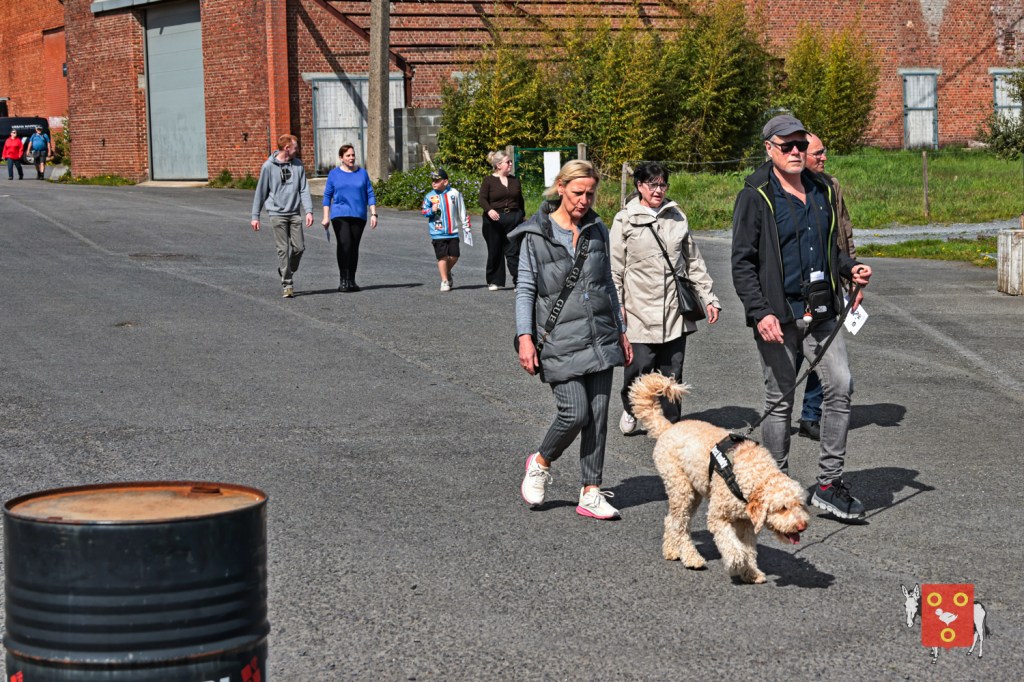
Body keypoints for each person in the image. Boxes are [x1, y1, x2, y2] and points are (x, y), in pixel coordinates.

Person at [731, 114, 873, 521]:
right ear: (769, 149)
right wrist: (760, 312)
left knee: (841, 385)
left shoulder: (822, 189)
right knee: (779, 401)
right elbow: (742, 262)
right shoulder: (755, 195)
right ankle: (776, 485)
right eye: (787, 145)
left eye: (800, 145)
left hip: (823, 311)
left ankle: (828, 484)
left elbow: (830, 249)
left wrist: (849, 268)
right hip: (778, 315)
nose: (796, 152)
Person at [511, 160, 634, 520]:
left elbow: (607, 283)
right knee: (575, 412)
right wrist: (525, 338)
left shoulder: (597, 228)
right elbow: (525, 289)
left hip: (600, 334)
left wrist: (621, 330)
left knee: (598, 415)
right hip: (558, 337)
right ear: (561, 187)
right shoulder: (535, 234)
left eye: (590, 194)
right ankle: (541, 462)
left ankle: (591, 491)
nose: (584, 200)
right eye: (578, 192)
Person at [610, 161, 721, 434]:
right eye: (652, 185)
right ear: (639, 186)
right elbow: (614, 269)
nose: (658, 190)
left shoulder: (677, 217)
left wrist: (709, 297)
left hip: (673, 309)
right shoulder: (624, 219)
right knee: (638, 368)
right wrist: (617, 305)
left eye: (663, 185)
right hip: (637, 309)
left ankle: (671, 427)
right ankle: (632, 407)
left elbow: (693, 261)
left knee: (672, 371)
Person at [796, 133, 861, 441]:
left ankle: (811, 415)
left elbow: (844, 231)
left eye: (824, 152)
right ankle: (779, 415)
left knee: (822, 352)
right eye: (818, 153)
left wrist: (852, 277)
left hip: (828, 281)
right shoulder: (784, 189)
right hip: (796, 287)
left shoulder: (831, 186)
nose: (824, 158)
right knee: (791, 357)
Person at [250, 134, 314, 298]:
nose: (297, 150)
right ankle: (287, 284)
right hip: (277, 214)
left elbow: (304, 189)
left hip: (294, 213)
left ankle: (287, 269)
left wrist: (309, 211)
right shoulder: (268, 167)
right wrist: (255, 216)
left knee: (299, 248)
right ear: (287, 148)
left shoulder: (298, 165)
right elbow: (261, 192)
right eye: (295, 147)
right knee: (283, 250)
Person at [321, 144, 378, 293]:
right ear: (341, 158)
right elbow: (327, 196)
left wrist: (373, 214)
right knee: (344, 244)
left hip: (358, 215)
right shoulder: (334, 174)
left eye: (353, 155)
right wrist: (326, 217)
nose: (351, 158)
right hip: (339, 214)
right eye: (348, 155)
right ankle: (343, 280)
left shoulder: (362, 173)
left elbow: (370, 194)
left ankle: (351, 280)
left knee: (353, 247)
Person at [478, 150, 525, 290]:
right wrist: (489, 210)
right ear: (498, 165)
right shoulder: (488, 180)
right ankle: (494, 280)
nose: (510, 164)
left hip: (513, 218)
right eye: (508, 162)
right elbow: (482, 199)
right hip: (494, 220)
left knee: (514, 250)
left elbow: (520, 200)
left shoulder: (515, 180)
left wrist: (521, 215)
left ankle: (519, 281)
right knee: (495, 250)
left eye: (510, 162)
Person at [421, 168, 470, 292]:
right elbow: (424, 211)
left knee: (454, 255)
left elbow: (462, 210)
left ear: (445, 181)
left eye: (437, 180)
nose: (434, 183)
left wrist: (465, 225)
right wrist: (431, 210)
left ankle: (446, 271)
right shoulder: (429, 196)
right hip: (437, 232)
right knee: (442, 256)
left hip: (452, 231)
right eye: (433, 180)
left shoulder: (455, 193)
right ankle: (444, 281)